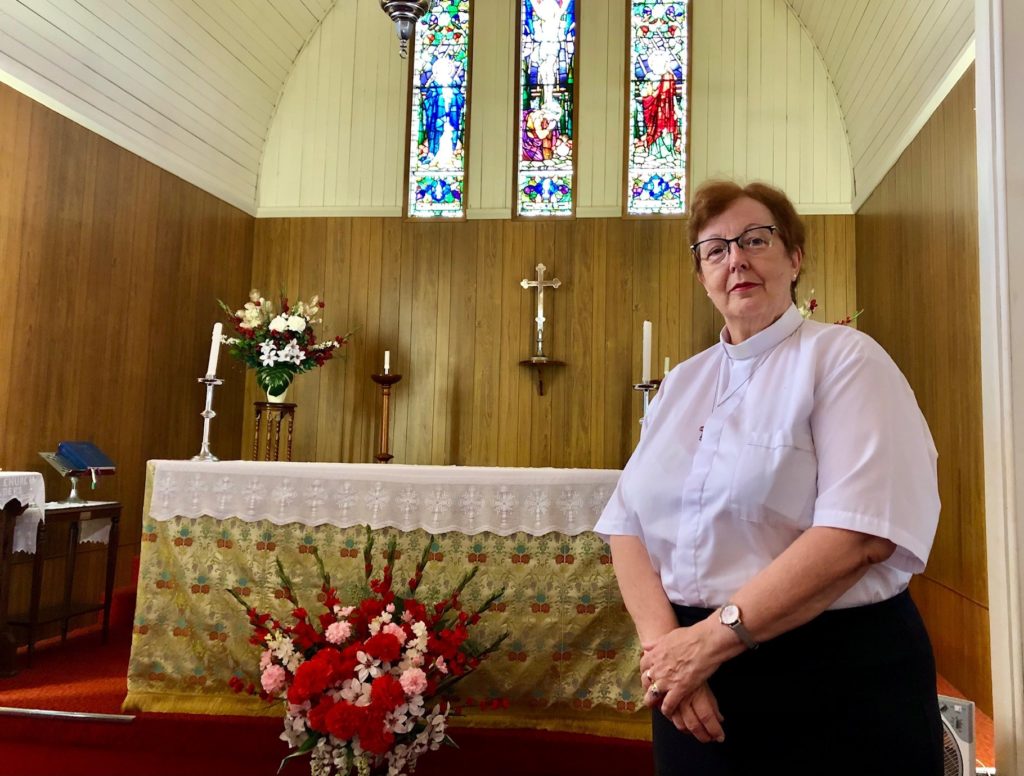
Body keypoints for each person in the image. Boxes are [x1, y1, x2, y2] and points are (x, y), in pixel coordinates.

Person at [595, 180, 944, 774]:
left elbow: (862, 533)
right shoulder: (681, 384)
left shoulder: (844, 360)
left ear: (794, 257)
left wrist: (707, 643)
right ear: (702, 275)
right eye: (715, 249)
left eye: (756, 239)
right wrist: (666, 652)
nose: (736, 259)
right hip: (692, 690)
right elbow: (625, 523)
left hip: (833, 677)